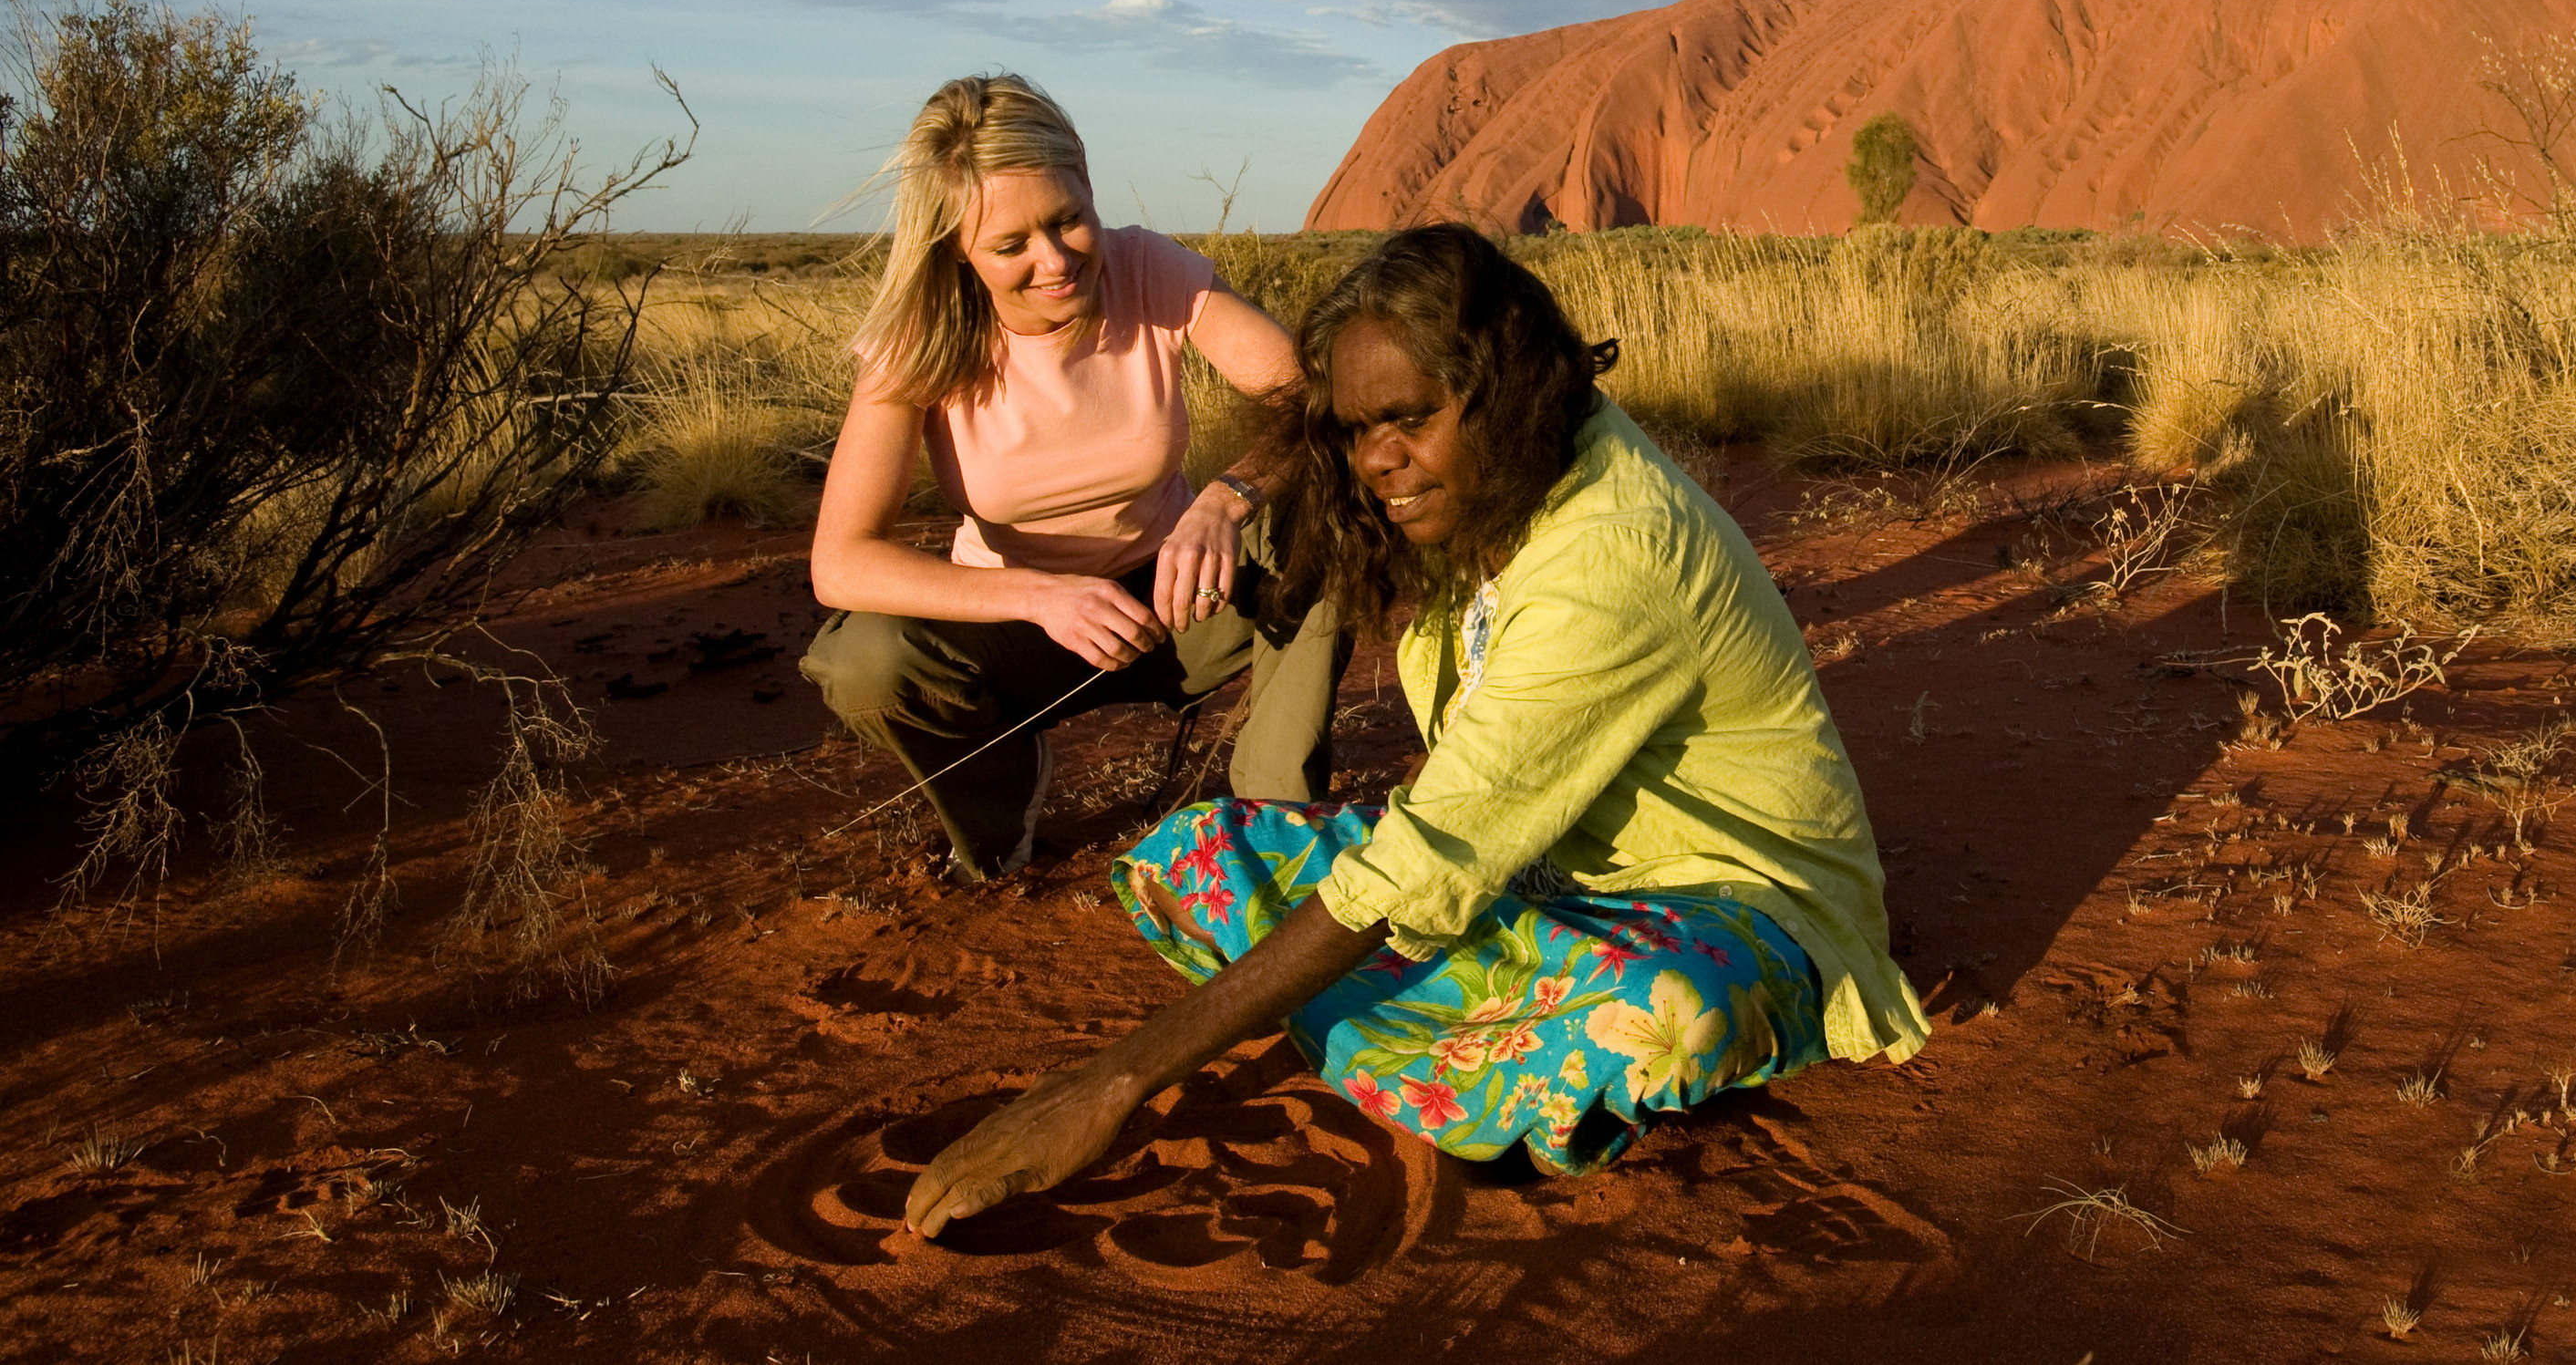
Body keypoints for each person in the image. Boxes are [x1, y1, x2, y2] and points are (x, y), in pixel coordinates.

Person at [903, 223, 1925, 1232]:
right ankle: (1430, 1033)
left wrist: (1111, 1082)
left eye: (1408, 418)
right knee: (1199, 852)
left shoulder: (1613, 554)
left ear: (1506, 389)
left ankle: (1393, 1019)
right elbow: (1443, 833)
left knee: (1664, 1011)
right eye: (1355, 428)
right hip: (1542, 869)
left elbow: (1428, 852)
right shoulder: (1496, 479)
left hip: (1720, 894)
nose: (1378, 459)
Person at [802, 74, 1343, 883]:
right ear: (957, 244)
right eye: (1011, 245)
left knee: (1329, 518)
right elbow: (840, 559)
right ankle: (1000, 797)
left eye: (1068, 221)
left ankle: (1271, 830)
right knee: (866, 661)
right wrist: (1040, 595)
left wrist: (1224, 500)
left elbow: (1310, 400)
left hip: (1177, 598)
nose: (1054, 261)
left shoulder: (1150, 269)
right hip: (1020, 634)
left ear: (1089, 183)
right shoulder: (923, 332)